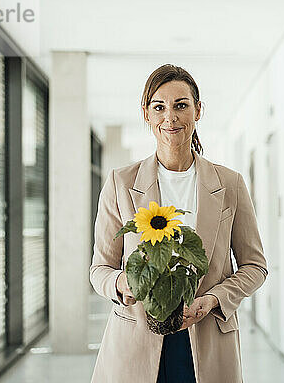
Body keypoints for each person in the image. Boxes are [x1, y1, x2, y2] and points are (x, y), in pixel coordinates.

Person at [89, 64, 268, 383]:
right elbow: (99, 269)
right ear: (146, 114)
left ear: (198, 110)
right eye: (159, 107)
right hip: (135, 343)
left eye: (181, 105)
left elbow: (254, 266)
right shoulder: (120, 183)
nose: (169, 117)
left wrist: (212, 300)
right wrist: (122, 284)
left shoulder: (230, 184)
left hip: (208, 340)